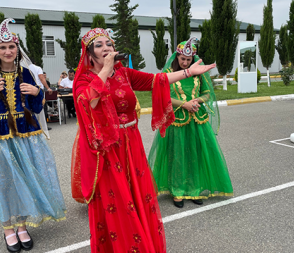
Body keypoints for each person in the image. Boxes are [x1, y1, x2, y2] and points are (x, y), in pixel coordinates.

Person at [71, 28, 215, 253]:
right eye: (98, 45)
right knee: (116, 202)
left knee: (136, 198)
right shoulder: (84, 79)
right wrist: (106, 69)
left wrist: (189, 73)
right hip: (108, 150)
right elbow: (88, 101)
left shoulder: (123, 74)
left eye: (108, 43)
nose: (106, 48)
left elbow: (157, 80)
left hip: (131, 143)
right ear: (89, 54)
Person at [0, 18, 66, 252]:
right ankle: (8, 228)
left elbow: (35, 108)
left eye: (11, 47)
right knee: (4, 181)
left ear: (17, 49)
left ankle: (23, 225)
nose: (7, 51)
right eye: (2, 47)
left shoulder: (26, 73)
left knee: (27, 177)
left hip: (27, 133)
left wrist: (37, 92)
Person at [148, 38, 233, 208]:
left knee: (196, 154)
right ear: (177, 57)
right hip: (177, 120)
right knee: (178, 155)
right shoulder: (167, 74)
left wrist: (197, 101)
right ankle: (177, 190)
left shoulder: (199, 73)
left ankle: (194, 189)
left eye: (188, 60)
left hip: (196, 119)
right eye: (182, 59)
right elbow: (162, 96)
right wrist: (184, 104)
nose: (185, 62)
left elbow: (207, 94)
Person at [28, 64, 52, 131]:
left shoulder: (23, 67)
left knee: (30, 107)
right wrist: (48, 88)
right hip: (38, 89)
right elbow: (41, 78)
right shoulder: (37, 68)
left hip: (28, 88)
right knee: (41, 107)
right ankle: (43, 125)